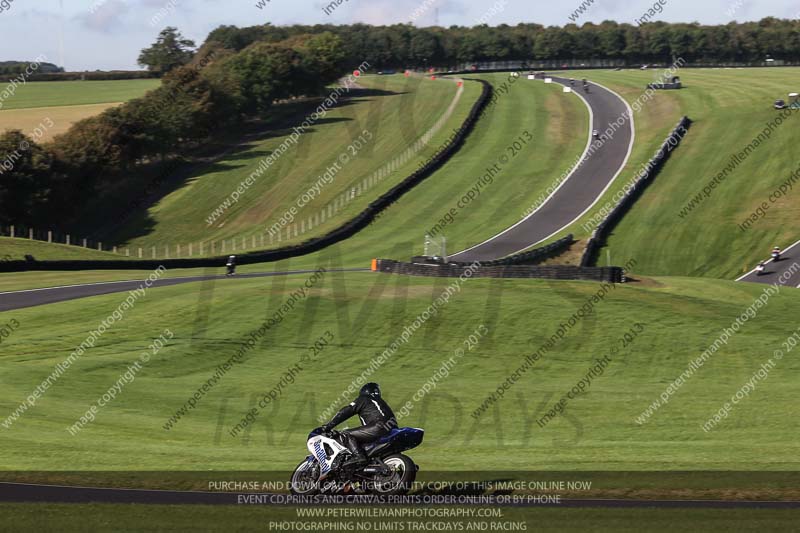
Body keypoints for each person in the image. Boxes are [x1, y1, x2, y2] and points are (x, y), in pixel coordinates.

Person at [321, 382, 397, 467]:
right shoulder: (381, 402)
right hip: (392, 429)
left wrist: (329, 426)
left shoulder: (364, 399)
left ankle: (359, 456)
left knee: (345, 434)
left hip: (378, 427)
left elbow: (346, 411)